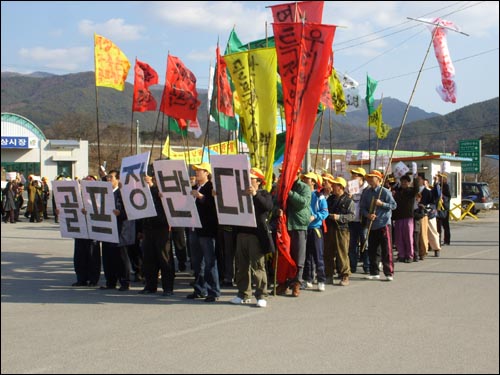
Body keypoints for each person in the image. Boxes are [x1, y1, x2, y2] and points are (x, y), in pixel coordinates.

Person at [230, 167, 274, 308]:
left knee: (258, 266)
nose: (248, 181)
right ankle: (243, 293)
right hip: (241, 233)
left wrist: (255, 195)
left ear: (259, 182)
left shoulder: (264, 194)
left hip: (256, 235)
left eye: (252, 179)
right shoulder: (241, 194)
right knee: (242, 266)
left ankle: (261, 295)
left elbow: (268, 206)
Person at [186, 162, 221, 302]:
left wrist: (201, 197)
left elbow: (214, 208)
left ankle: (214, 291)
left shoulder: (212, 187)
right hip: (194, 228)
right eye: (196, 170)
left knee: (209, 262)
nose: (197, 173)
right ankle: (200, 289)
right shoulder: (194, 187)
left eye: (199, 170)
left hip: (207, 230)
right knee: (196, 262)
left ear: (207, 173)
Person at [138, 166, 175, 296]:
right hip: (148, 227)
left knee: (164, 258)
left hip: (162, 227)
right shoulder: (148, 190)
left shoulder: (166, 190)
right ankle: (150, 285)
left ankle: (168, 288)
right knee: (149, 259)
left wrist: (153, 187)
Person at [276, 168, 311, 297]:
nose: (284, 175)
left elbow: (303, 203)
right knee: (285, 255)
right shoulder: (281, 186)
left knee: (298, 256)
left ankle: (296, 283)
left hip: (298, 225)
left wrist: (288, 192)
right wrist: (277, 211)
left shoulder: (304, 187)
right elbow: (275, 204)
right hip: (285, 226)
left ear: (297, 174)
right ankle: (283, 283)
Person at [360, 170, 397, 281]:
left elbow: (394, 205)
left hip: (384, 223)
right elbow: (363, 208)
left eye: (373, 177)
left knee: (386, 249)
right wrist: (368, 215)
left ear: (379, 179)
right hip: (372, 224)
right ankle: (374, 271)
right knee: (372, 249)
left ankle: (389, 272)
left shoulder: (385, 192)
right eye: (369, 177)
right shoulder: (366, 192)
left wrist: (382, 204)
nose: (370, 179)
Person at [99, 169, 132, 291]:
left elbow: (130, 211)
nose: (108, 180)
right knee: (108, 256)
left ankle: (124, 282)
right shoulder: (104, 193)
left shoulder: (123, 193)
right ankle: (110, 282)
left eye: (111, 178)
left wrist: (120, 213)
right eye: (107, 177)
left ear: (118, 180)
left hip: (120, 229)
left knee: (121, 257)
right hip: (107, 229)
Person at [325, 177, 355, 286]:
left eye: (335, 185)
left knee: (342, 253)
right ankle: (328, 274)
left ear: (341, 187)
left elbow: (352, 216)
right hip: (329, 228)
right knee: (328, 253)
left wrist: (339, 217)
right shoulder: (329, 199)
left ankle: (345, 275)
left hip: (342, 230)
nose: (332, 187)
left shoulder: (348, 201)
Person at [302, 172, 329, 292]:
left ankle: (321, 280)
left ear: (313, 182)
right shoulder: (302, 194)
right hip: (304, 228)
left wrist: (315, 216)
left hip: (315, 229)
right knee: (307, 256)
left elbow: (325, 212)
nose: (305, 180)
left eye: (307, 179)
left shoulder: (319, 196)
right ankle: (308, 279)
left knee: (318, 256)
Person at [392, 174, 419, 262]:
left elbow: (416, 189)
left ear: (409, 183)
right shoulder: (397, 192)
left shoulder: (411, 191)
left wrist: (415, 178)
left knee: (408, 237)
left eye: (405, 182)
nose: (403, 183)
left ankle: (410, 255)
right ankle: (401, 254)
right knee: (399, 238)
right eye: (402, 182)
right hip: (398, 217)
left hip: (408, 217)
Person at [347, 167, 370, 274]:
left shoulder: (367, 189)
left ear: (361, 177)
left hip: (363, 221)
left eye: (355, 175)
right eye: (352, 175)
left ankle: (367, 265)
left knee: (365, 243)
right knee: (352, 245)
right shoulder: (351, 188)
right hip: (352, 221)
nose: (353, 177)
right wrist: (349, 197)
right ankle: (353, 266)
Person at [436, 173, 451, 246]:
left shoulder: (446, 186)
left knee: (445, 225)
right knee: (438, 225)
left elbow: (448, 197)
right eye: (439, 177)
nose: (439, 179)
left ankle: (447, 240)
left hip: (444, 208)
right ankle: (438, 239)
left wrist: (443, 197)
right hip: (438, 208)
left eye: (440, 177)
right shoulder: (438, 185)